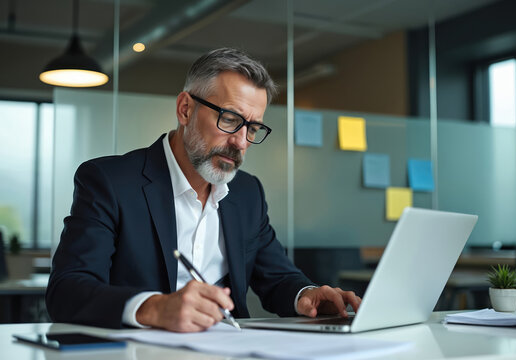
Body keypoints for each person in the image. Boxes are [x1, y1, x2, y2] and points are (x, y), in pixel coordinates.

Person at [46, 47, 361, 332]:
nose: (240, 142)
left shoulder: (247, 193)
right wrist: (153, 308)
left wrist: (307, 295)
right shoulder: (109, 181)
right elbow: (67, 290)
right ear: (185, 109)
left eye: (252, 128)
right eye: (229, 119)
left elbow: (278, 278)